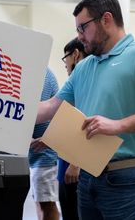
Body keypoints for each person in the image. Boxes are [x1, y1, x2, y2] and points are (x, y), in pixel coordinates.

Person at [36, 0, 135, 220]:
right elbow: (50, 107)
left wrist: (118, 125)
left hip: (129, 180)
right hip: (87, 179)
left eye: (83, 28)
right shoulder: (85, 67)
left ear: (106, 19)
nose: (79, 36)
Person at [58, 37, 87, 220]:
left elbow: (86, 126)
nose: (65, 63)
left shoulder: (85, 83)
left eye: (65, 58)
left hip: (74, 169)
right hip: (66, 163)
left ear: (75, 54)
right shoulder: (74, 84)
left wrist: (76, 163)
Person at [29, 68, 60, 220]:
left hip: (44, 154)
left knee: (46, 203)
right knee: (40, 202)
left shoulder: (43, 74)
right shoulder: (35, 73)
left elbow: (33, 110)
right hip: (34, 153)